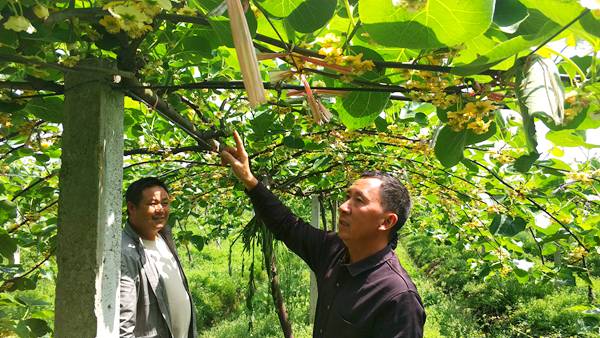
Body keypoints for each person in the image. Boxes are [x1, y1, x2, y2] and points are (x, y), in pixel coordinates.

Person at [221, 131, 426, 338]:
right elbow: (287, 225)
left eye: (359, 201)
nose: (344, 207)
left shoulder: (398, 298)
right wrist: (249, 179)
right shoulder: (333, 249)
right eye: (347, 197)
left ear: (386, 221)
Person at [120, 177, 197, 338]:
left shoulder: (163, 235)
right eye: (152, 204)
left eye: (165, 202)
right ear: (132, 208)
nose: (161, 209)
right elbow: (124, 324)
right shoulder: (125, 253)